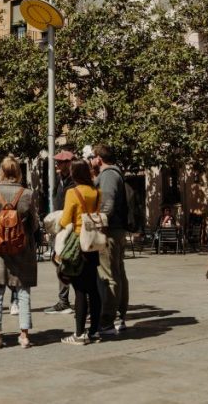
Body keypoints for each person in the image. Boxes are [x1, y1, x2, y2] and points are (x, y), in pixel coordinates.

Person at [0, 155, 39, 349]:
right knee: (23, 290)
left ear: (1, 171)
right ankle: (24, 334)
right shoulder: (27, 194)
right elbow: (34, 224)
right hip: (22, 249)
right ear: (18, 172)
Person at [58, 159, 103, 345]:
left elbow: (65, 219)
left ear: (74, 174)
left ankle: (79, 333)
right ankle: (94, 331)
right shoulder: (96, 192)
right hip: (92, 243)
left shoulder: (72, 192)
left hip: (77, 241)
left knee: (79, 289)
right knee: (93, 288)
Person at [89, 144, 130, 336]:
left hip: (110, 231)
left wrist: (99, 226)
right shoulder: (115, 174)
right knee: (118, 273)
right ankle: (119, 316)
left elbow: (107, 203)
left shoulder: (108, 175)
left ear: (99, 158)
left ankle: (107, 321)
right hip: (117, 230)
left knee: (109, 276)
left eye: (92, 157)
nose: (91, 160)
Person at [45, 150, 75, 315]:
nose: (57, 164)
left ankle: (71, 301)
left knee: (69, 263)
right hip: (60, 226)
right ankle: (63, 301)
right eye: (57, 162)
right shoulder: (59, 179)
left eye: (61, 162)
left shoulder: (75, 181)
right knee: (59, 263)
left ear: (69, 163)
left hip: (71, 227)